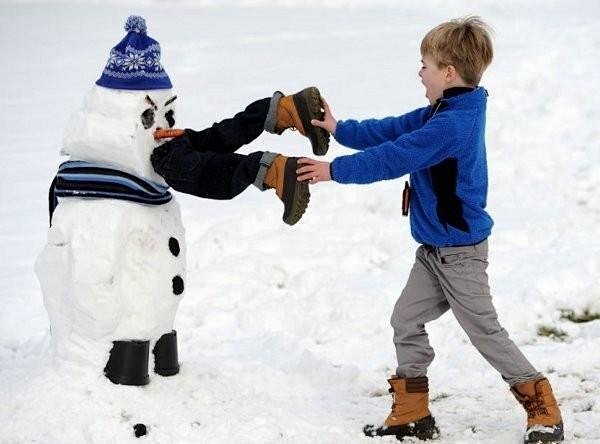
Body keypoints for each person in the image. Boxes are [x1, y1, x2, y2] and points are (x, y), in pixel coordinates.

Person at [297, 16, 563, 443]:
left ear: (448, 73)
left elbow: (396, 155)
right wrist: (340, 129)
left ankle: (542, 405)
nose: (419, 72)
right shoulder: (449, 108)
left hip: (460, 253)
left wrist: (334, 170)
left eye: (424, 65)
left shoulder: (451, 125)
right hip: (434, 251)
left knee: (485, 332)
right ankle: (412, 414)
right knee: (406, 319)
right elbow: (396, 129)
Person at [151, 87, 330, 226]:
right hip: (143, 95)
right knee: (195, 145)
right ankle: (285, 110)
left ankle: (271, 169)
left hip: (133, 114)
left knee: (178, 165)